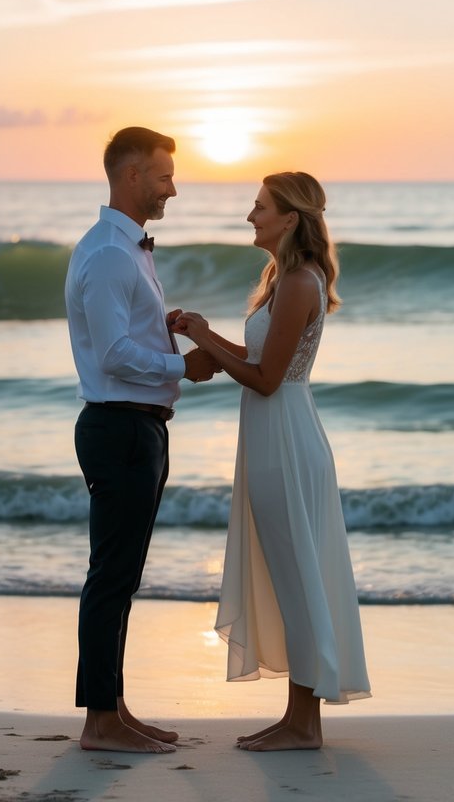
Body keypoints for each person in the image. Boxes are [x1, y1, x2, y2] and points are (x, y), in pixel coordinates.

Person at [174, 171, 371, 751]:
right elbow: (260, 358)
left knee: (298, 575)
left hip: (285, 438)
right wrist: (200, 333)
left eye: (259, 207)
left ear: (289, 218)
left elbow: (265, 379)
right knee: (289, 575)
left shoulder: (298, 283)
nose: (250, 216)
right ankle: (296, 718)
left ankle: (305, 725)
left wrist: (206, 338)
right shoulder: (281, 280)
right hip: (272, 434)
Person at [65, 126, 218, 754]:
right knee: (111, 576)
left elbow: (129, 336)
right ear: (132, 177)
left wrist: (166, 326)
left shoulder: (128, 251)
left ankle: (114, 709)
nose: (172, 189)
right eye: (163, 177)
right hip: (120, 427)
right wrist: (186, 366)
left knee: (122, 575)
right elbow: (113, 353)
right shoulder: (107, 253)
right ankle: (99, 722)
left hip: (139, 426)